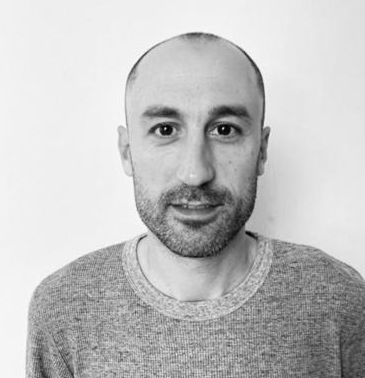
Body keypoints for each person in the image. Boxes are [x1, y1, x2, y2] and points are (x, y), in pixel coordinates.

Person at [26, 32, 365, 377]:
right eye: (165, 130)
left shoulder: (338, 298)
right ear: (127, 152)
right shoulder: (63, 308)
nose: (195, 173)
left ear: (262, 151)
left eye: (224, 130)